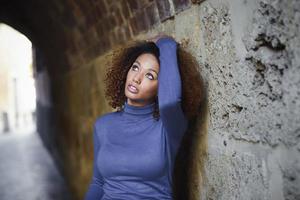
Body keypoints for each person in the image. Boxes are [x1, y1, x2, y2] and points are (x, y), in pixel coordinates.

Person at [84, 35, 203, 200]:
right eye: (135, 67)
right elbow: (97, 183)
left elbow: (169, 102)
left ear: (160, 87)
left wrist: (166, 43)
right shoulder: (103, 125)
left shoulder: (169, 127)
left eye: (150, 76)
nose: (136, 78)